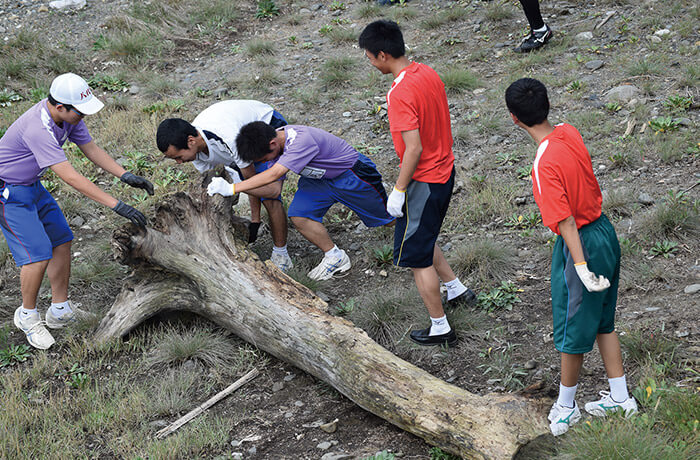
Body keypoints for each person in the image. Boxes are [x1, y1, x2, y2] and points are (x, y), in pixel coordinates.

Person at [505, 78, 637, 436]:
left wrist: (579, 266)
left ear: (514, 119)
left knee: (572, 328)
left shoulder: (543, 162)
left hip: (581, 242)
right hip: (604, 231)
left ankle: (566, 406)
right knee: (603, 319)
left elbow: (564, 220)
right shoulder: (569, 131)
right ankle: (620, 397)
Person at [0, 73, 152, 350]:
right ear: (60, 107)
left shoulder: (66, 119)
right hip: (10, 194)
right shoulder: (38, 127)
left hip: (32, 186)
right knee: (37, 255)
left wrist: (125, 174)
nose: (83, 116)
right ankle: (27, 316)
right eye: (79, 112)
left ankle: (60, 310)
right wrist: (116, 204)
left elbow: (90, 147)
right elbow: (70, 176)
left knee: (61, 240)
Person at [359, 20, 475, 347]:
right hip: (445, 171)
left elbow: (414, 147)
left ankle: (440, 327)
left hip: (424, 180)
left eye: (369, 56)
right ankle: (455, 288)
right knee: (424, 235)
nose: (369, 62)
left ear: (382, 55)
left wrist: (398, 190)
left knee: (416, 256)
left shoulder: (399, 93)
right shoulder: (427, 72)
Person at [207, 121, 395, 281]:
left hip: (352, 177)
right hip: (318, 182)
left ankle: (418, 222)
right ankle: (335, 257)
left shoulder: (300, 141)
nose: (265, 162)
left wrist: (232, 188)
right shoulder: (276, 144)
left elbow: (275, 174)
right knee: (299, 215)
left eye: (264, 158)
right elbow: (273, 188)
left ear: (272, 143)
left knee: (388, 220)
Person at [156, 100, 293, 271]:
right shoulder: (196, 151)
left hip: (265, 126)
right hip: (235, 141)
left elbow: (250, 180)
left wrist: (255, 220)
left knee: (270, 196)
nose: (178, 162)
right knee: (238, 185)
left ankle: (282, 254)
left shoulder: (229, 137)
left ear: (191, 141)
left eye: (178, 157)